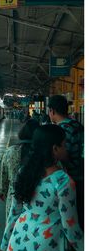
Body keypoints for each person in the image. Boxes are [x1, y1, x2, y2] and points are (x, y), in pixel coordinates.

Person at [0, 125, 83, 251]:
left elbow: (13, 213)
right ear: (54, 149)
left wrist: (3, 247)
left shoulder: (25, 172)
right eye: (64, 144)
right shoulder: (63, 181)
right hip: (49, 245)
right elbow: (71, 228)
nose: (67, 148)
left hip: (19, 240)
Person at [48, 95, 84, 229]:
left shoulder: (60, 130)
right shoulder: (78, 125)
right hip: (82, 173)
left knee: (70, 216)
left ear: (51, 111)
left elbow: (62, 156)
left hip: (69, 178)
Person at [0, 119, 39, 220]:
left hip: (14, 199)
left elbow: (2, 183)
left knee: (14, 231)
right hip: (39, 201)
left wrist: (2, 191)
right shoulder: (45, 153)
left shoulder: (9, 152)